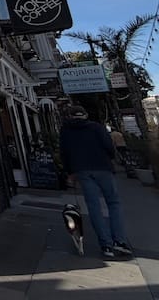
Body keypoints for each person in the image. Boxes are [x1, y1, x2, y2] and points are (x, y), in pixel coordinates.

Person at [60, 105, 132, 258]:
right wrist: (110, 159)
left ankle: (105, 245)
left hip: (82, 170)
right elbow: (109, 147)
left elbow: (64, 153)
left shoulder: (66, 131)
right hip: (103, 167)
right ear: (85, 115)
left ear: (70, 116)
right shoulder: (96, 127)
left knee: (94, 207)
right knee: (113, 203)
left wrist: (70, 173)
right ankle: (119, 241)